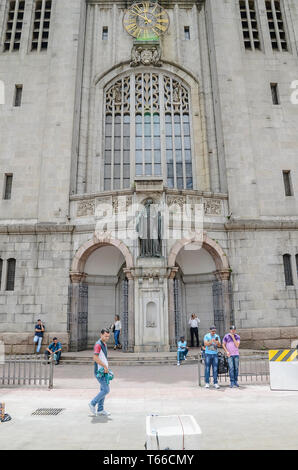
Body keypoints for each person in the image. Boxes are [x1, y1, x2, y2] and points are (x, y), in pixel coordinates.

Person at [89, 329, 111, 417]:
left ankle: (100, 409)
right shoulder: (98, 345)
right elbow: (95, 358)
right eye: (105, 336)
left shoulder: (104, 344)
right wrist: (104, 366)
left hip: (104, 371)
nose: (107, 338)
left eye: (108, 336)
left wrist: (106, 367)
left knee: (103, 390)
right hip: (99, 371)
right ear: (101, 335)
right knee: (106, 390)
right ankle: (92, 403)